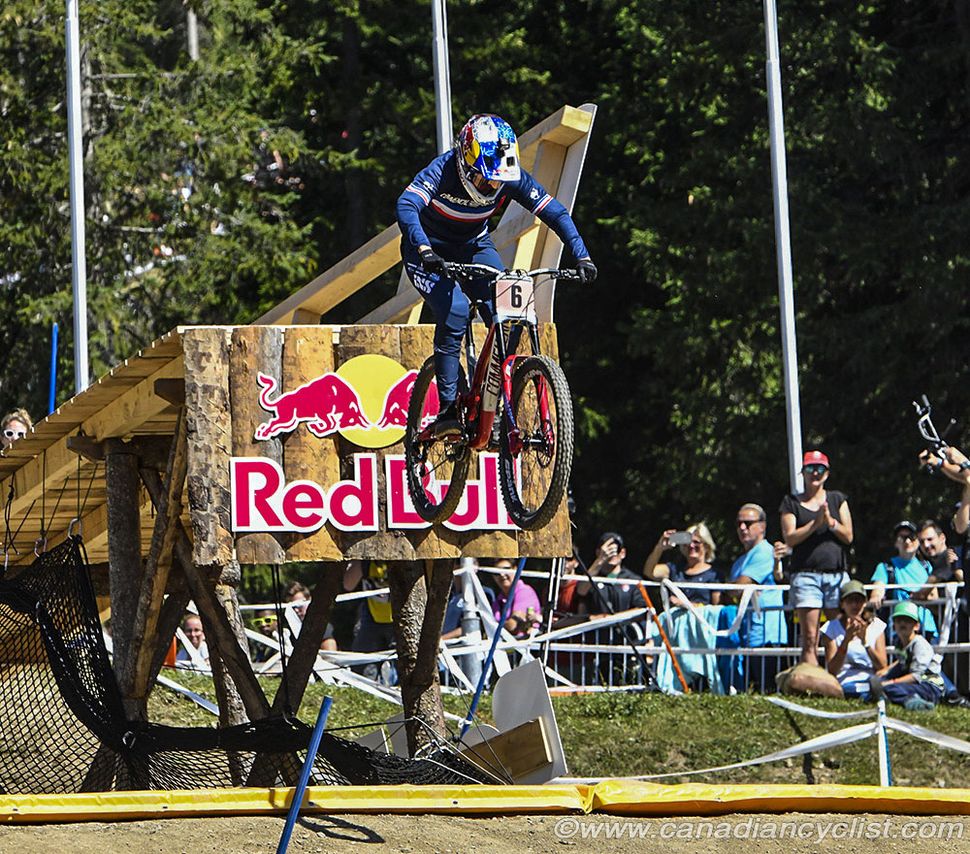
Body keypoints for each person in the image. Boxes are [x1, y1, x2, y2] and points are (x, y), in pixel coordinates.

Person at [396, 113, 597, 434]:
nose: (492, 186)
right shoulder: (443, 170)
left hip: (473, 244)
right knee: (456, 311)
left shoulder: (508, 175)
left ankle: (497, 399)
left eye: (499, 181)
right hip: (427, 251)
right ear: (464, 162)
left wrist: (582, 254)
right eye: (485, 179)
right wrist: (423, 249)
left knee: (509, 313)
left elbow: (554, 212)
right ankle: (448, 408)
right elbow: (406, 206)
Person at [779, 450, 853, 666]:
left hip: (836, 576)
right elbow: (790, 538)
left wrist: (830, 522)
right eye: (810, 468)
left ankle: (835, 680)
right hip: (806, 577)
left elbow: (848, 536)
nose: (815, 473)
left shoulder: (837, 499)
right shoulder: (791, 502)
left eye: (820, 469)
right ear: (803, 472)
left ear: (827, 473)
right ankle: (810, 683)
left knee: (835, 633)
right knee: (811, 637)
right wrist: (815, 524)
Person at [725, 504, 788, 692]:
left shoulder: (765, 553)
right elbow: (732, 592)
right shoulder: (740, 561)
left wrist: (735, 587)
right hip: (746, 636)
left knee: (768, 691)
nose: (742, 528)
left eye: (748, 523)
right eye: (739, 523)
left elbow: (737, 588)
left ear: (762, 526)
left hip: (768, 636)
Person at [868, 520, 938, 641]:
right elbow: (877, 590)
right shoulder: (886, 567)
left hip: (926, 629)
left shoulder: (927, 567)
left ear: (917, 540)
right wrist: (877, 596)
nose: (907, 541)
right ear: (896, 542)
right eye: (902, 537)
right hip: (900, 631)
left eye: (911, 537)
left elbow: (934, 596)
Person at [872, 601, 946, 711]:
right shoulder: (899, 642)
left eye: (907, 621)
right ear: (894, 624)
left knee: (889, 687)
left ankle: (913, 702)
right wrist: (887, 670)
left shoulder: (919, 644)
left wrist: (891, 682)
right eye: (899, 620)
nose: (902, 624)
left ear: (916, 626)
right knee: (875, 681)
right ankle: (890, 696)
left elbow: (916, 676)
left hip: (929, 685)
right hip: (914, 684)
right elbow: (902, 660)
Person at [820, 580, 887, 699]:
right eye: (850, 601)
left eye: (859, 600)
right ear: (842, 604)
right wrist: (846, 640)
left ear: (865, 603)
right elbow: (833, 670)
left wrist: (865, 643)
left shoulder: (877, 626)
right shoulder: (831, 628)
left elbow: (882, 666)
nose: (855, 605)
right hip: (845, 682)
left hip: (871, 679)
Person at [343, 560, 396, 682]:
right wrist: (361, 558)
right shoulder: (366, 562)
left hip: (401, 620)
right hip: (372, 620)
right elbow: (348, 584)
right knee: (360, 668)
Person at [643, 524, 720, 607]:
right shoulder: (675, 569)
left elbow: (716, 609)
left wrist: (685, 604)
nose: (691, 545)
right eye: (688, 542)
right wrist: (660, 547)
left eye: (696, 542)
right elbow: (649, 572)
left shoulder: (714, 575)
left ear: (706, 546)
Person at [577, 532, 644, 615]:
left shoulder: (633, 580)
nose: (613, 554)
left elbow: (642, 610)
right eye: (608, 550)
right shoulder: (593, 577)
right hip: (598, 626)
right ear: (598, 552)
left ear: (623, 553)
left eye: (617, 550)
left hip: (624, 626)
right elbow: (581, 591)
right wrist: (600, 560)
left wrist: (613, 618)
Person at [491, 559, 542, 638]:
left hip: (524, 646)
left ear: (515, 569)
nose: (501, 574)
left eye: (506, 569)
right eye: (496, 572)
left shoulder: (525, 592)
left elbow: (513, 626)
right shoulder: (499, 598)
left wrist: (496, 625)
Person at [284, 581, 337, 652]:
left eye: (299, 604)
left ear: (309, 601)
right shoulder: (287, 631)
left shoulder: (321, 625)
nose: (296, 610)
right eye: (292, 607)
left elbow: (332, 655)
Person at [917, 519, 964, 585]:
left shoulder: (949, 556)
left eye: (930, 539)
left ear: (942, 538)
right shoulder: (927, 563)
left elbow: (923, 592)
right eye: (922, 542)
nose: (926, 545)